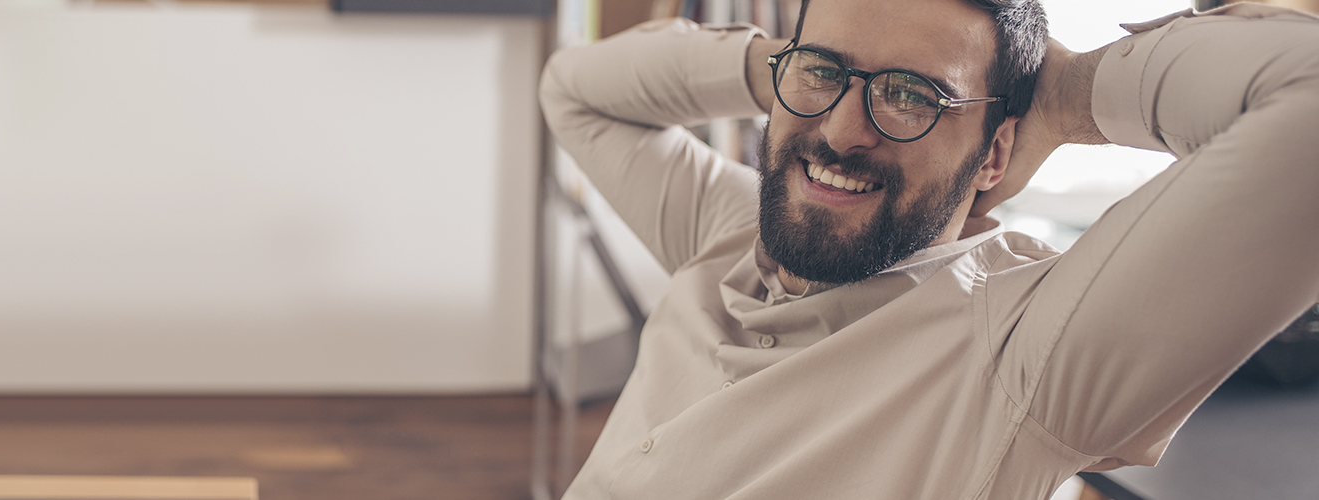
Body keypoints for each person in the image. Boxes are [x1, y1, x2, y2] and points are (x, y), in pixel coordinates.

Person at [537, 0, 1319, 497]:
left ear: (994, 155)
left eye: (913, 94)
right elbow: (573, 89)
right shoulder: (730, 232)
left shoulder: (1021, 360)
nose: (843, 132)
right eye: (825, 76)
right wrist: (784, 64)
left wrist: (1074, 93)